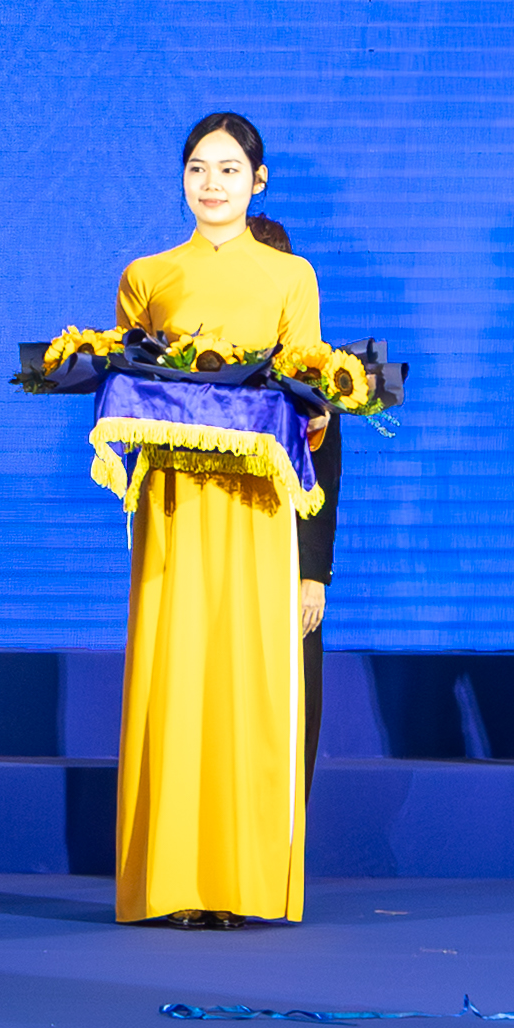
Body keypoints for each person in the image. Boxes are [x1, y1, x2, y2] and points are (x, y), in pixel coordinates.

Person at [113, 112, 323, 929]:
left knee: (247, 679)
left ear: (257, 181)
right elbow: (127, 379)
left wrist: (319, 408)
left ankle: (240, 883)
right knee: (175, 675)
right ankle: (170, 881)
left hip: (258, 503)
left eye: (230, 169)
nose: (212, 183)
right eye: (199, 167)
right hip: (174, 500)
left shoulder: (291, 277)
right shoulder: (147, 275)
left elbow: (308, 381)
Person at [246, 216, 339, 798]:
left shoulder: (314, 378)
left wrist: (312, 576)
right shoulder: (203, 371)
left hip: (287, 564)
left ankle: (286, 834)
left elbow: (323, 485)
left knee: (295, 702)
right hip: (225, 558)